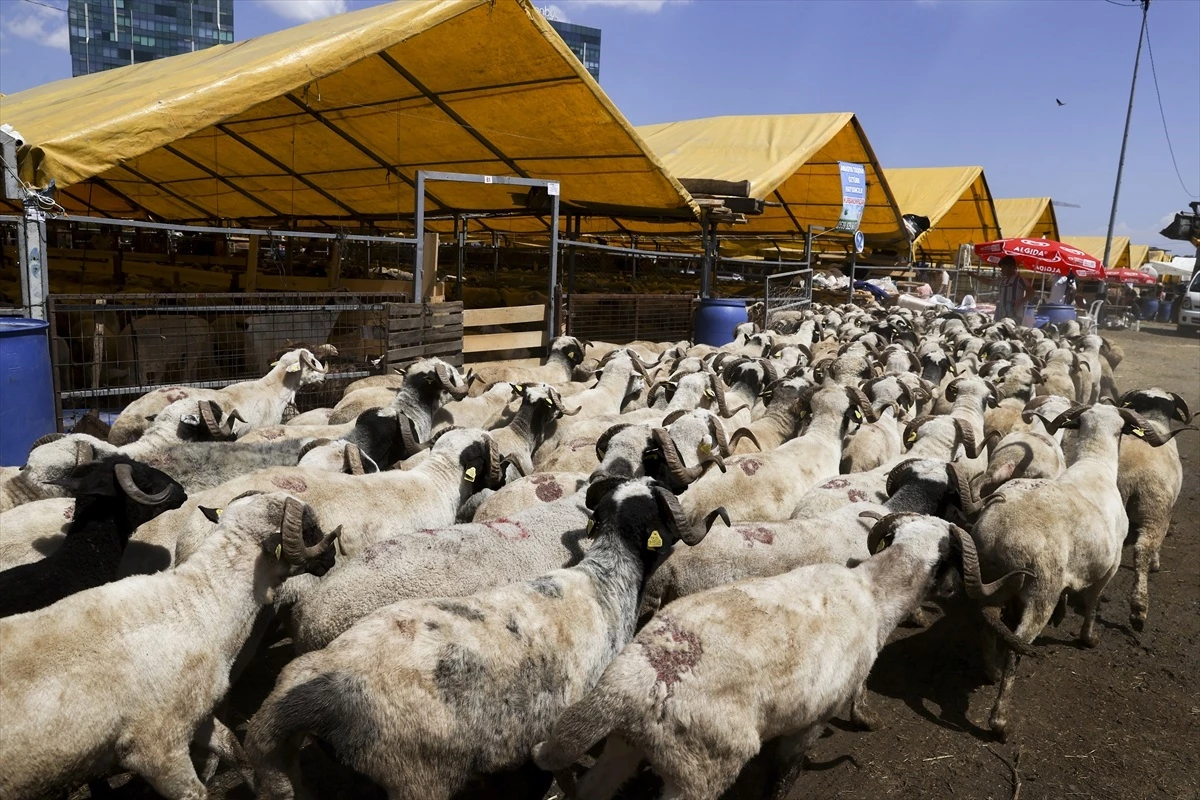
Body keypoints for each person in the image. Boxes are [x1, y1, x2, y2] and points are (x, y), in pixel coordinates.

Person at [992, 256, 1031, 322]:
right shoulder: (1002, 280)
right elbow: (989, 282)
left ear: (1011, 267)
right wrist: (974, 276)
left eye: (1004, 267)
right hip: (1002, 315)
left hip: (1015, 316)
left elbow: (1031, 293)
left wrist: (1019, 302)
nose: (1002, 270)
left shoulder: (1020, 280)